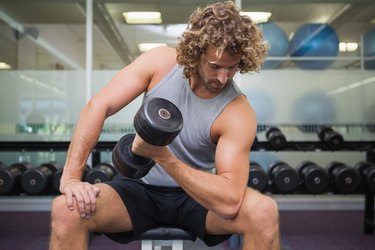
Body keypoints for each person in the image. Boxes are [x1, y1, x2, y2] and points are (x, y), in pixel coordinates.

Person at [49, 1, 280, 249]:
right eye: (214, 66)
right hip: (138, 189)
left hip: (197, 196)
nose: (222, 78)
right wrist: (71, 177)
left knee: (264, 212)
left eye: (231, 68)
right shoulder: (161, 63)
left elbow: (230, 201)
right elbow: (98, 106)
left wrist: (163, 157)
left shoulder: (237, 112)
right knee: (66, 209)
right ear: (198, 52)